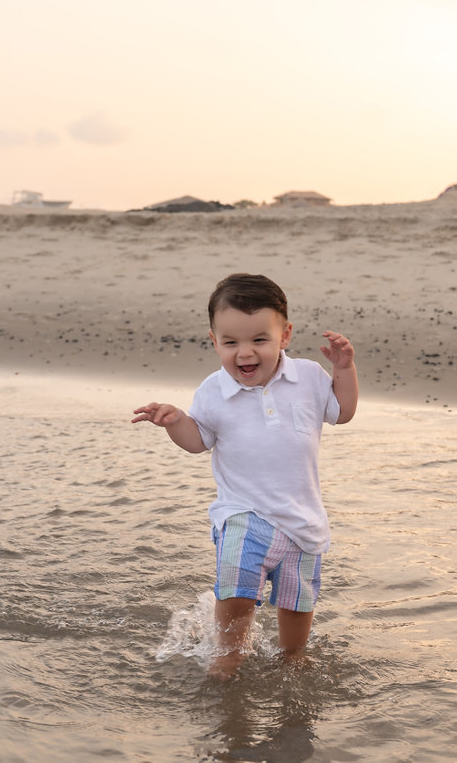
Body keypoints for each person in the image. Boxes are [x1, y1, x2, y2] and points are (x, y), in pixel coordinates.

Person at [132, 273, 358, 678]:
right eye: (231, 342)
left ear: (285, 335)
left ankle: (292, 657)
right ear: (213, 340)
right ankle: (229, 654)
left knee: (297, 602)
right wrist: (175, 421)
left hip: (301, 520)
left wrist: (344, 369)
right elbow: (198, 441)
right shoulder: (213, 391)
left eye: (259, 340)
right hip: (243, 511)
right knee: (237, 588)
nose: (245, 353)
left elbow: (342, 412)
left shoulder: (307, 377)